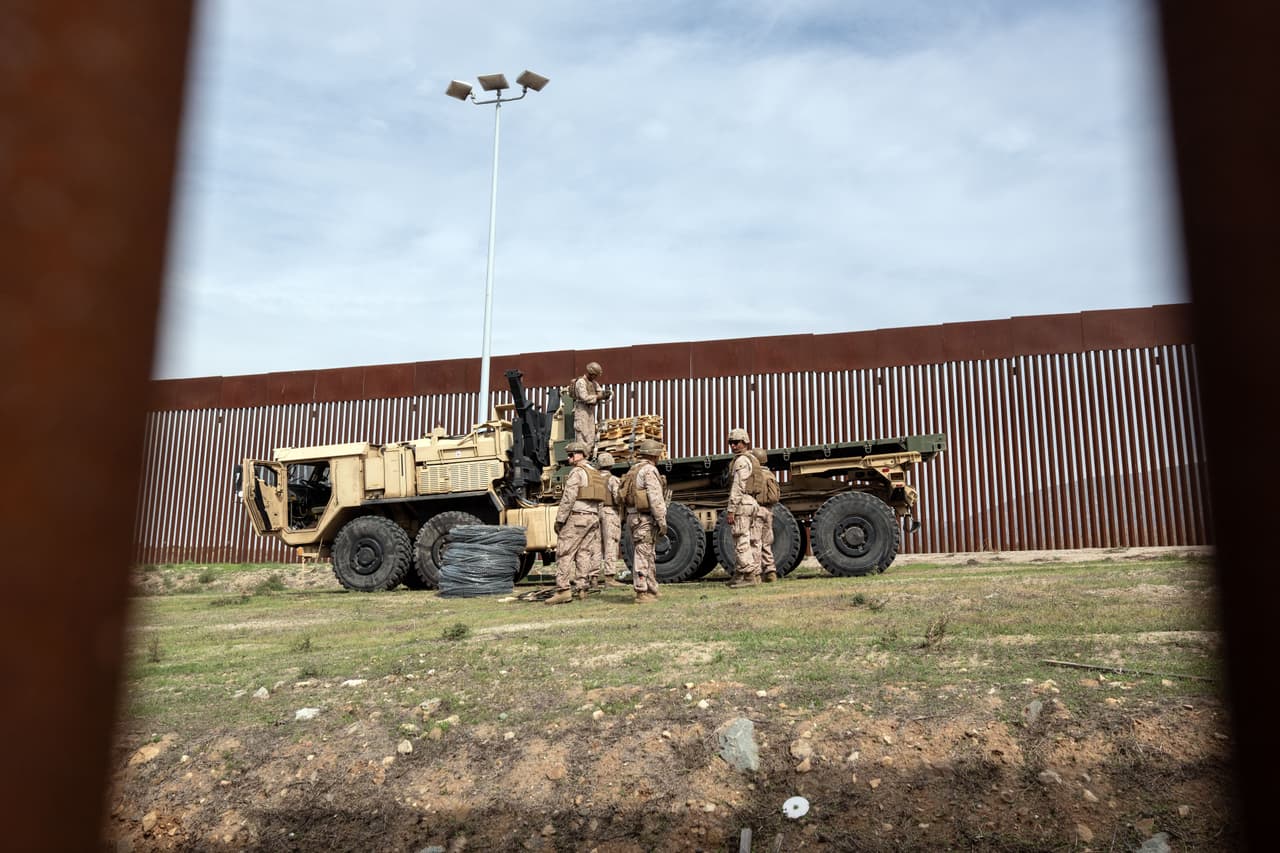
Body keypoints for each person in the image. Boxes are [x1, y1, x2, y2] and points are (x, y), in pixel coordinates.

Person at [548, 441, 605, 604]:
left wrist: (560, 520)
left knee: (564, 552)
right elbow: (601, 500)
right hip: (592, 518)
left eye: (571, 454)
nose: (569, 458)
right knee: (584, 553)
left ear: (581, 454)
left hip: (577, 517)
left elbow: (569, 498)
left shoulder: (577, 472)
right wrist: (597, 518)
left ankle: (563, 590)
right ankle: (582, 588)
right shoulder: (595, 473)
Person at [621, 439, 667, 604]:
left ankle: (651, 588)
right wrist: (662, 521)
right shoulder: (649, 470)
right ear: (655, 455)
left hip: (633, 516)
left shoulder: (633, 470)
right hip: (644, 518)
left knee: (647, 553)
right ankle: (641, 591)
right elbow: (655, 498)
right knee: (643, 554)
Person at [725, 428, 763, 588]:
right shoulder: (752, 458)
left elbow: (738, 486)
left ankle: (748, 575)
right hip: (752, 502)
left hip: (743, 502)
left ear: (745, 442)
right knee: (749, 539)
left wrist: (731, 509)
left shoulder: (741, 461)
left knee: (740, 539)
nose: (733, 446)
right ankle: (742, 574)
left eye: (736, 442)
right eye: (731, 443)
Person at [593, 452, 628, 588]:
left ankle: (593, 578)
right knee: (611, 544)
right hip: (609, 512)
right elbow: (617, 498)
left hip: (595, 513)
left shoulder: (594, 479)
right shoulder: (613, 479)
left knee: (595, 546)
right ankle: (609, 577)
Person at [569, 362, 612, 456]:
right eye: (595, 375)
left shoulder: (593, 383)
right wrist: (598, 397)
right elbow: (584, 397)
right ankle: (581, 457)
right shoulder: (581, 382)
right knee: (583, 435)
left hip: (589, 411)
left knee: (590, 436)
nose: (596, 377)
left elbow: (599, 392)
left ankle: (587, 456)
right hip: (581, 410)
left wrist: (605, 394)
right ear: (591, 373)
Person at [751, 447, 780, 583]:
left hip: (757, 510)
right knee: (767, 543)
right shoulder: (770, 475)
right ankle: (771, 572)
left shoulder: (754, 475)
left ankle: (756, 574)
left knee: (755, 542)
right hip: (769, 511)